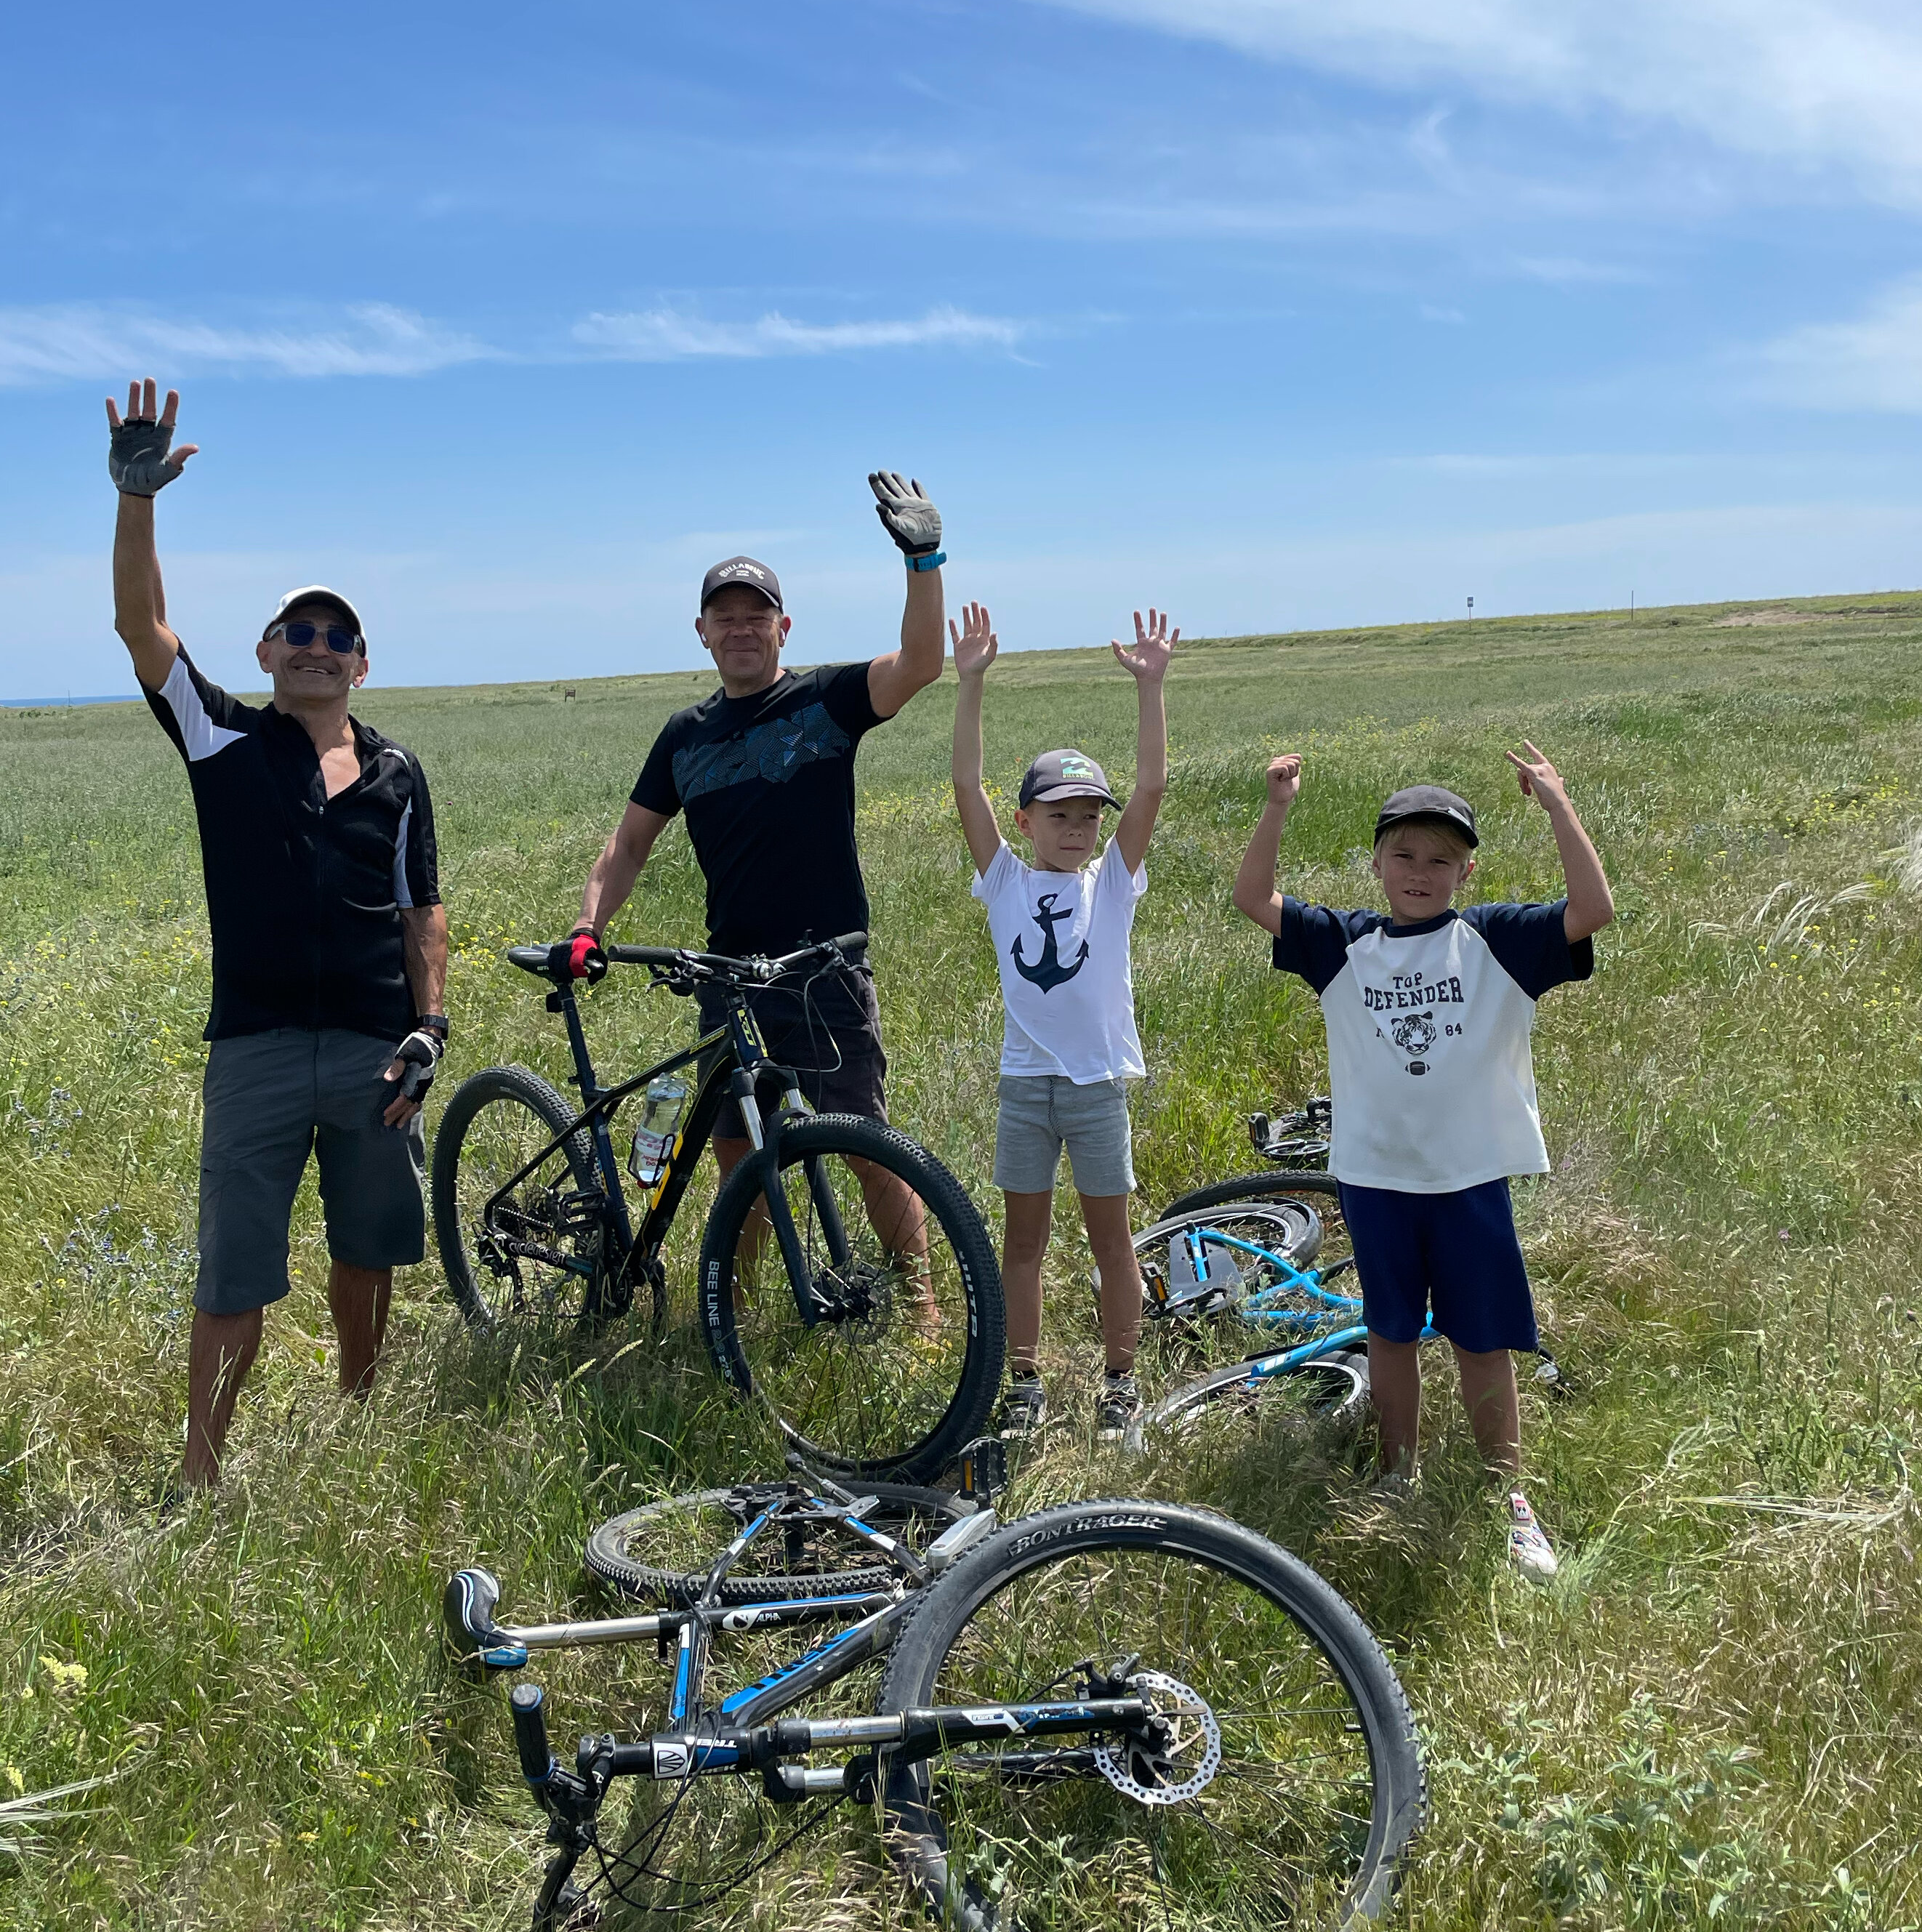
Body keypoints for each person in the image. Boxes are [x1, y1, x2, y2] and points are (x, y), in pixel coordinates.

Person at [107, 379, 449, 1493]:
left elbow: (421, 908)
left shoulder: (397, 770)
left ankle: (360, 1421)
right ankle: (200, 1476)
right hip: (253, 1049)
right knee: (234, 1274)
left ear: (362, 664)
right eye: (298, 632)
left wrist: (431, 1028)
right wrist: (137, 499)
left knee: (369, 1249)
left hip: (372, 1050)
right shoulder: (224, 742)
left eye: (337, 637)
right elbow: (141, 629)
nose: (317, 647)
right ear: (263, 653)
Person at [1231, 747, 1613, 1577]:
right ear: (1375, 863)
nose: (1419, 872)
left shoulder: (1496, 940)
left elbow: (1594, 908)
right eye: (1403, 854)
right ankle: (1397, 1476)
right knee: (1391, 1332)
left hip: (1469, 1181)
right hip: (1376, 1181)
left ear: (1466, 871)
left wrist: (1558, 804)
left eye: (1441, 860)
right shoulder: (1345, 945)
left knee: (1483, 1341)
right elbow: (1253, 898)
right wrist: (1276, 807)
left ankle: (1510, 1497)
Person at [568, 473, 948, 1258]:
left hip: (823, 967)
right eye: (726, 617)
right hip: (727, 974)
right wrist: (587, 926)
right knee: (739, 1157)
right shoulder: (685, 736)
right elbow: (629, 844)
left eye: (757, 616)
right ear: (702, 632)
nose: (741, 629)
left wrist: (923, 561)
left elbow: (919, 663)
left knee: (864, 1144)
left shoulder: (825, 701)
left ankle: (924, 1310)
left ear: (784, 627)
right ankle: (730, 1303)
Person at [951, 600, 1178, 1441]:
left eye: (1089, 816)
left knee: (1114, 1244)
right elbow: (965, 785)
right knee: (1024, 1247)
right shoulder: (1005, 882)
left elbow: (1150, 787)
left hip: (1096, 1088)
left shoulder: (1112, 882)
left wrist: (1150, 687)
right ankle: (1025, 1383)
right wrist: (971, 681)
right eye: (1059, 815)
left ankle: (1121, 1382)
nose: (1077, 830)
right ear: (1025, 822)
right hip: (1026, 1088)